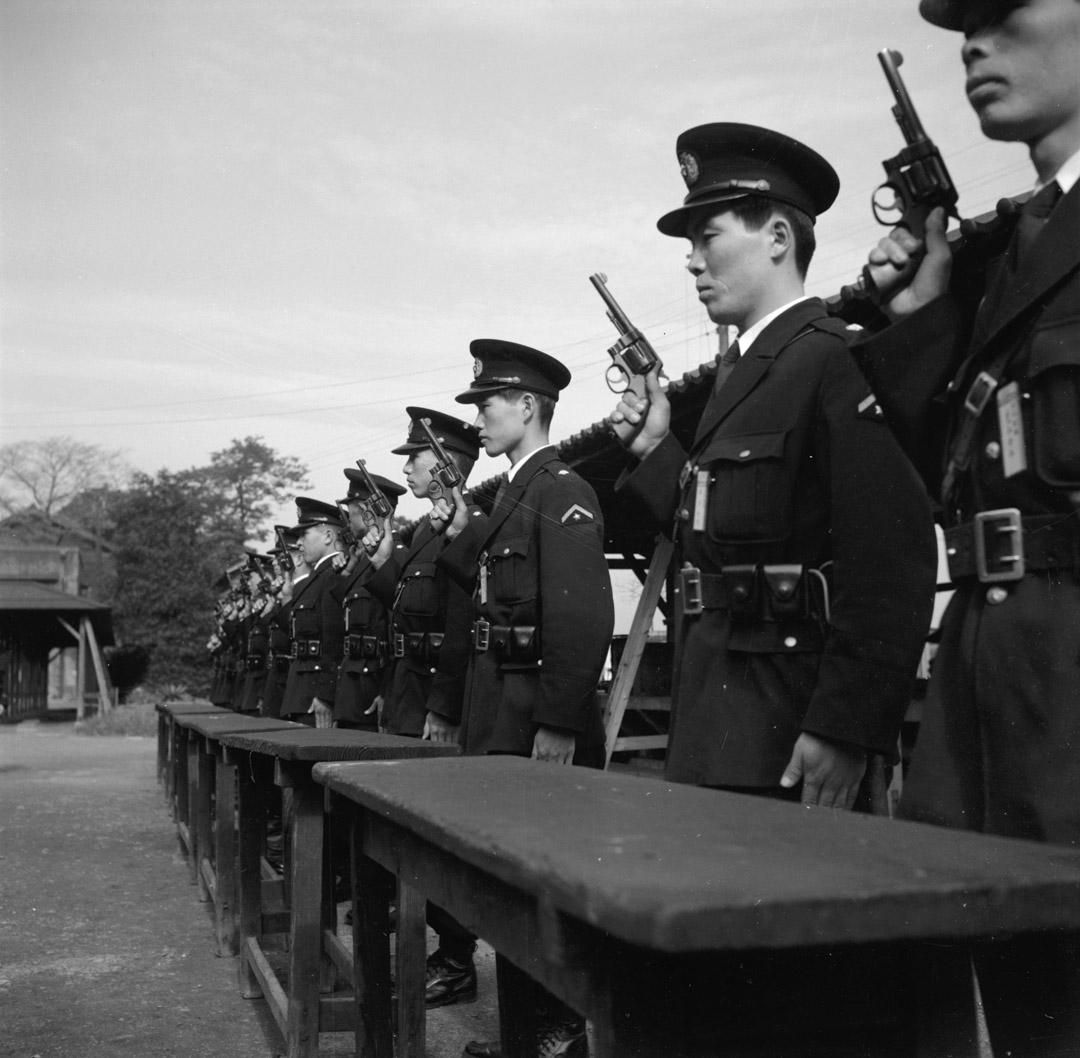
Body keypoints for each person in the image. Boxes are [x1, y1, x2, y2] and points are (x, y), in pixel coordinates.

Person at [854, 2, 1080, 1050]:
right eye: (964, 24)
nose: (974, 44)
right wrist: (926, 308)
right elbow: (944, 466)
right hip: (993, 678)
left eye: (1008, 12)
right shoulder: (1017, 245)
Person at [610, 123, 937, 807]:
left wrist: (846, 725)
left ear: (779, 239)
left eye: (710, 237)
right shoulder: (742, 376)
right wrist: (653, 448)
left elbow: (889, 555)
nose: (693, 262)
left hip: (789, 739)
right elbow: (712, 536)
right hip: (714, 721)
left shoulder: (835, 360)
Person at [434, 340, 615, 1058]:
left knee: (544, 889)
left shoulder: (561, 488)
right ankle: (525, 1035)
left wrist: (558, 722)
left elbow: (580, 616)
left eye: (487, 404)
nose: (477, 417)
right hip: (500, 718)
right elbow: (474, 582)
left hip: (536, 723)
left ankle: (558, 1029)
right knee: (511, 890)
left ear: (529, 406)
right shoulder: (513, 490)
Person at [360, 408, 482, 1008]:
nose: (407, 466)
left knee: (436, 841)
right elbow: (404, 616)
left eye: (416, 457)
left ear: (447, 465)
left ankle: (458, 960)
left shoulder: (465, 527)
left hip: (431, 704)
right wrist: (385, 562)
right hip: (408, 697)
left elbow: (460, 628)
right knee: (415, 838)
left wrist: (444, 706)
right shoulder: (425, 532)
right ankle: (449, 954)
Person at [331, 467, 406, 729]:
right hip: (354, 687)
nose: (348, 522)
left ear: (368, 512)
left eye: (352, 514)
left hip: (374, 690)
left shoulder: (396, 557)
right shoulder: (363, 560)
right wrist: (348, 571)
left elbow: (397, 631)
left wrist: (387, 691)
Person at [278, 498, 346, 728]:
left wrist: (326, 694)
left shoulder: (333, 574)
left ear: (328, 536)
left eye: (304, 535)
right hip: (301, 690)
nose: (298, 542)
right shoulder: (317, 577)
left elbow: (334, 639)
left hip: (315, 693)